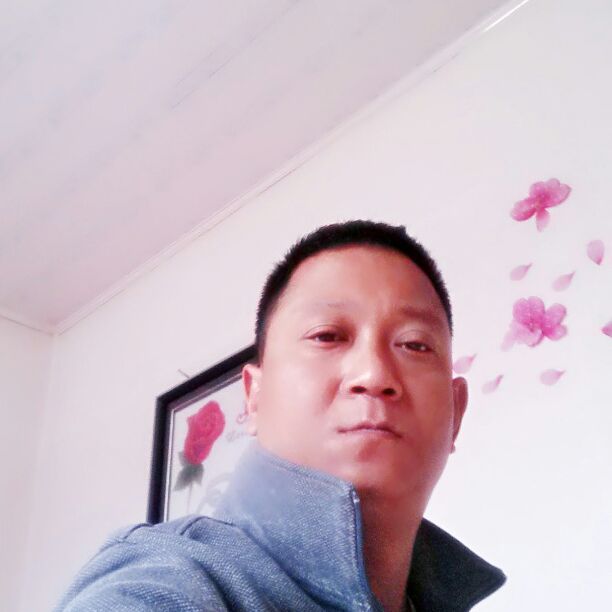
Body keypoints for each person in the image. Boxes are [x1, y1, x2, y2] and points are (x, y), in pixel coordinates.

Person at [55, 220, 506, 611]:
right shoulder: (171, 579)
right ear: (253, 396)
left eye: (414, 344)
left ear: (457, 413)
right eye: (327, 335)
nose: (373, 374)